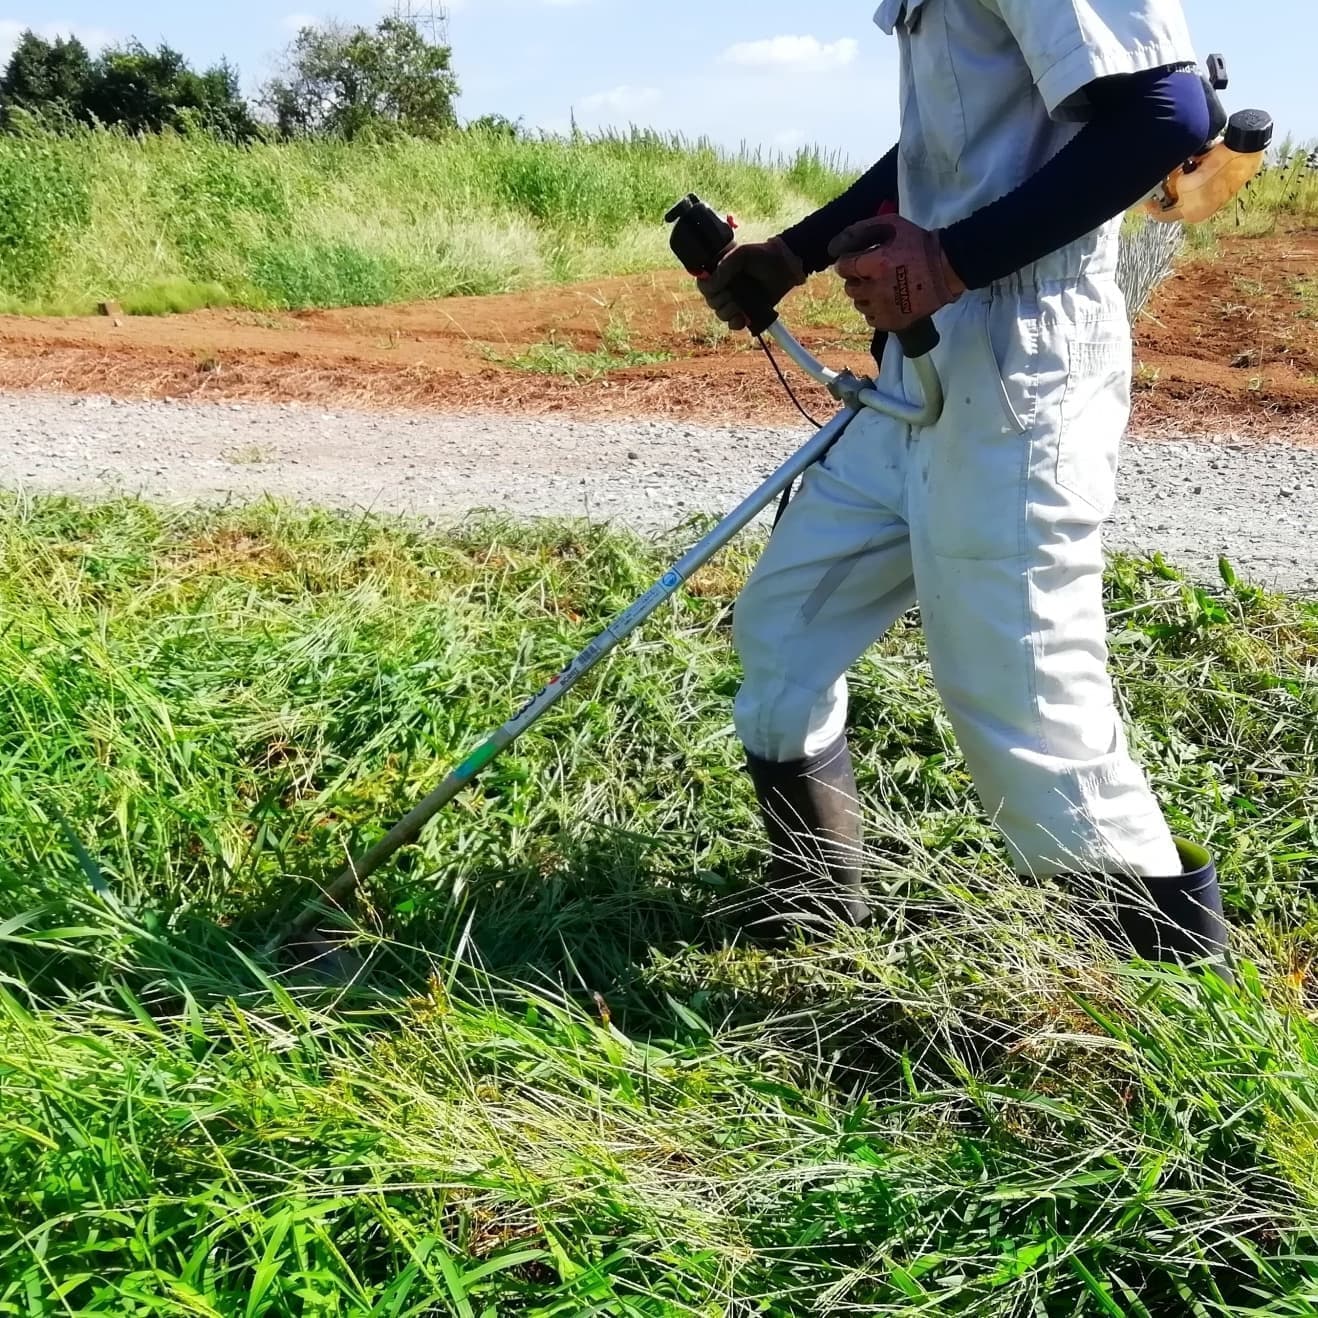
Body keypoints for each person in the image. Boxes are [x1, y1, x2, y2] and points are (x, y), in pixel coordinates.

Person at [698, 0, 1231, 975]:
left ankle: (1177, 1008)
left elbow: (1171, 111)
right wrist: (796, 251)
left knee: (1025, 702)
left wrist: (948, 259)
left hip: (1020, 358)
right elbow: (952, 141)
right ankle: (816, 911)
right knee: (785, 625)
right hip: (921, 360)